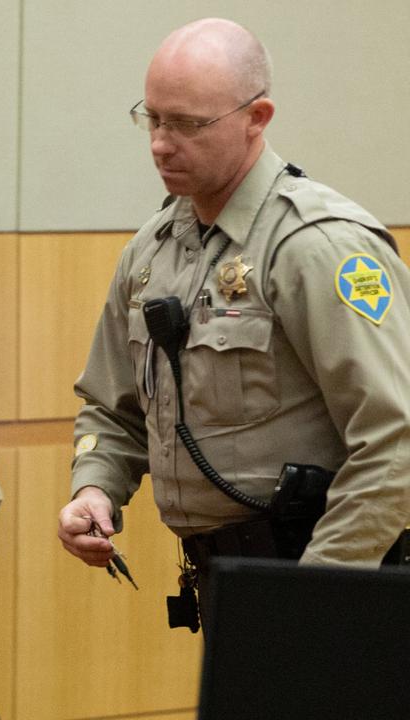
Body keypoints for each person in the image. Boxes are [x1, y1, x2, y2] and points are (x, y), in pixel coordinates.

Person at [57, 17, 410, 624]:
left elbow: (396, 438)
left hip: (338, 588)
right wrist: (94, 488)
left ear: (257, 117)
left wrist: (315, 596)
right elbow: (111, 408)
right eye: (154, 118)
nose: (161, 144)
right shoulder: (152, 250)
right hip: (231, 587)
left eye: (189, 124)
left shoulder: (316, 245)